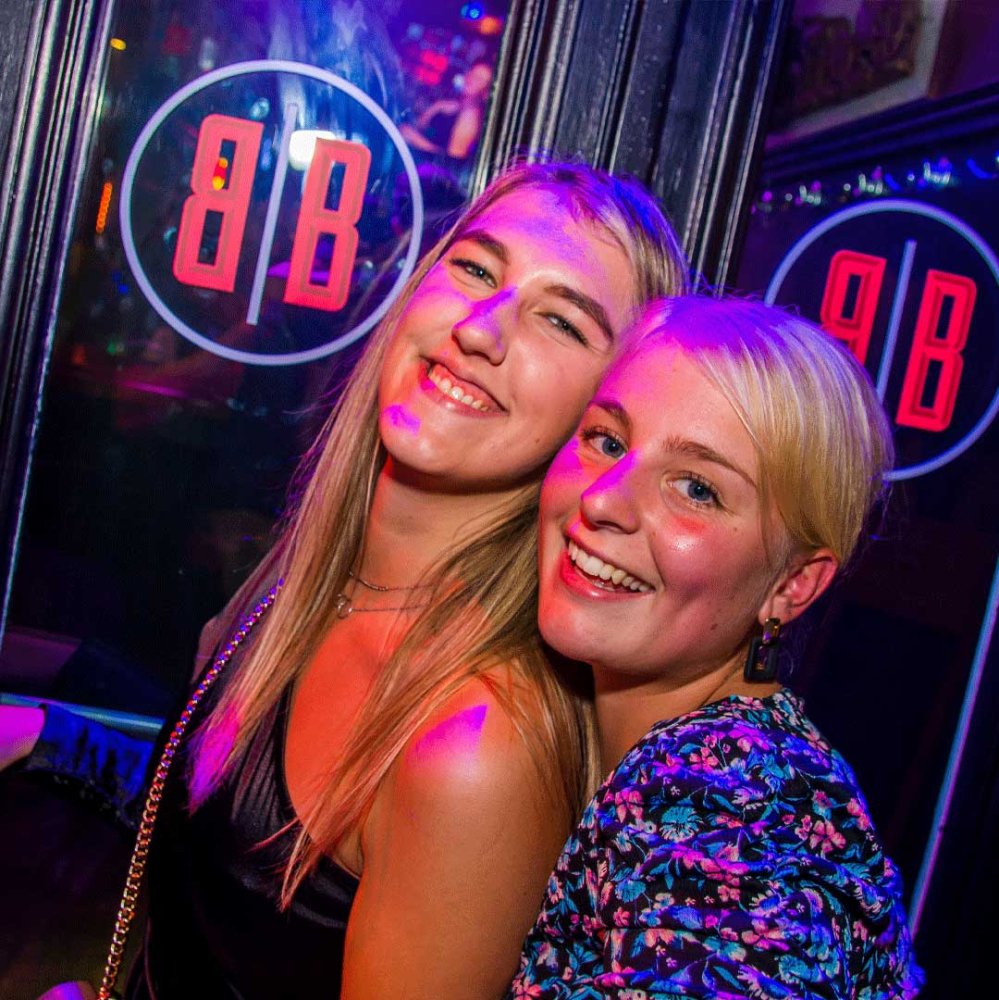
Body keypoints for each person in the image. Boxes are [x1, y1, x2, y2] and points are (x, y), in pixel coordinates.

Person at [5, 161, 689, 999]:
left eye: (560, 321)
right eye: (477, 269)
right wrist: (49, 736)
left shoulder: (473, 748)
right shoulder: (312, 580)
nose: (481, 328)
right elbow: (225, 836)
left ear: (604, 422)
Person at [508, 297, 924, 998]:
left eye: (696, 489)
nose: (602, 499)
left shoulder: (724, 804)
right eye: (607, 440)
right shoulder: (754, 762)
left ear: (790, 585)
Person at [401, 61, 495, 165]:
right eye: (472, 73)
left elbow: (452, 161)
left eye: (479, 79)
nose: (471, 79)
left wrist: (415, 139)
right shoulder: (455, 105)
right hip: (414, 157)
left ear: (486, 92)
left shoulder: (469, 119)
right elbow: (421, 126)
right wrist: (435, 108)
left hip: (424, 167)